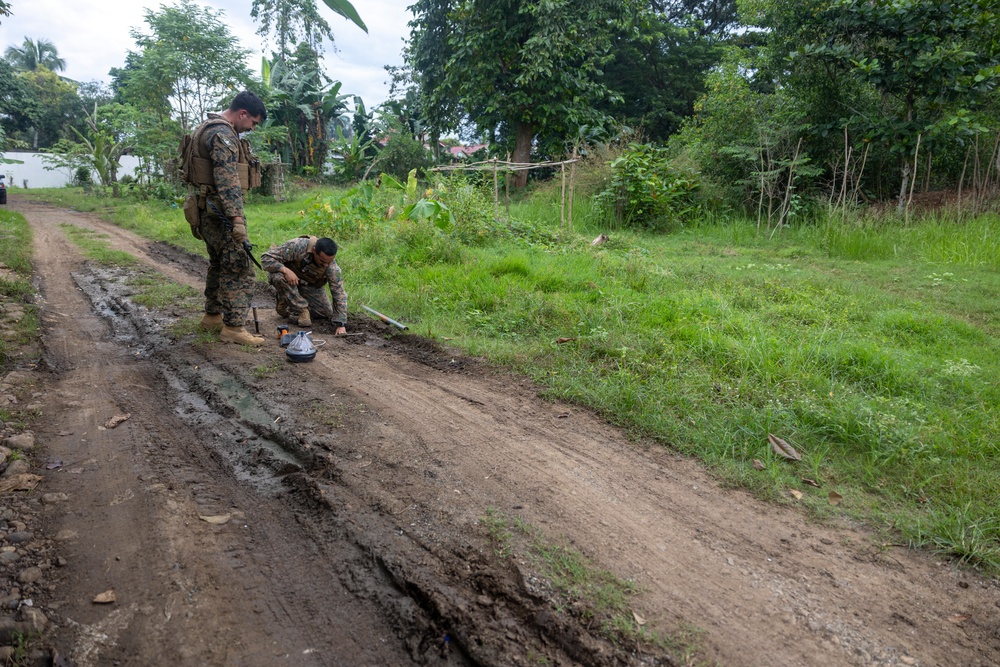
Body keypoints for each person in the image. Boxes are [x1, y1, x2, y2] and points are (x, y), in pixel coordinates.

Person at [190, 91, 267, 345]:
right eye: (253, 123)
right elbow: (228, 182)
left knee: (218, 263)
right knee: (239, 267)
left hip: (205, 210)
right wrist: (237, 221)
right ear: (242, 113)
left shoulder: (205, 127)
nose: (251, 128)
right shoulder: (223, 134)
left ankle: (212, 316)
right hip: (220, 213)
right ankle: (234, 328)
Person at [261, 236, 348, 334]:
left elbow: (339, 293)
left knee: (325, 312)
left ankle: (288, 299)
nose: (326, 265)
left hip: (309, 285)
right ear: (314, 251)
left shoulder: (332, 268)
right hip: (287, 280)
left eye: (329, 262)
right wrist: (285, 270)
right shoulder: (298, 246)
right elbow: (266, 258)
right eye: (322, 261)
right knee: (278, 277)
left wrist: (341, 324)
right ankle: (301, 309)